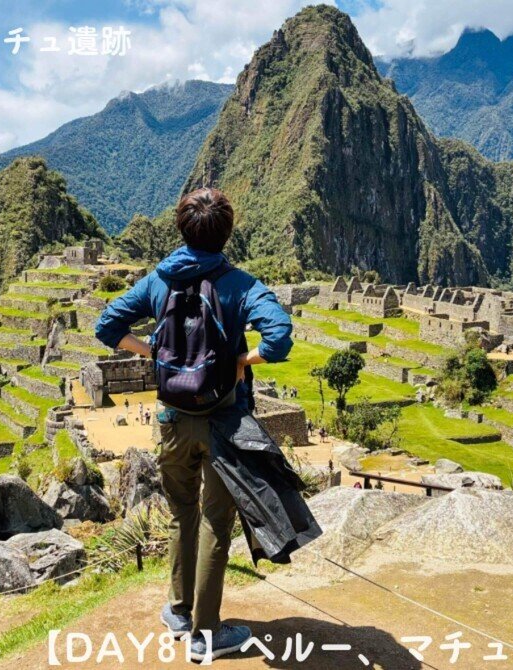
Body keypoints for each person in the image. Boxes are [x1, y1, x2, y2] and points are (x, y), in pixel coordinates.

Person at [94, 187, 293, 661]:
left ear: (181, 228)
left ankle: (180, 613)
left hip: (172, 420)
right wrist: (246, 358)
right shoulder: (240, 285)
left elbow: (106, 326)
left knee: (183, 511)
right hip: (224, 422)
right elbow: (281, 338)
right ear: (227, 232)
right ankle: (206, 636)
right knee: (214, 521)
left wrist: (152, 353)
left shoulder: (157, 282)